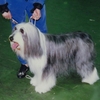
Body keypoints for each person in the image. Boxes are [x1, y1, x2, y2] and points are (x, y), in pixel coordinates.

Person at [0, 0, 47, 78]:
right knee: (17, 34)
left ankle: (42, 60)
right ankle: (24, 63)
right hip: (15, 2)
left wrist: (39, 4)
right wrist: (3, 6)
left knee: (40, 31)